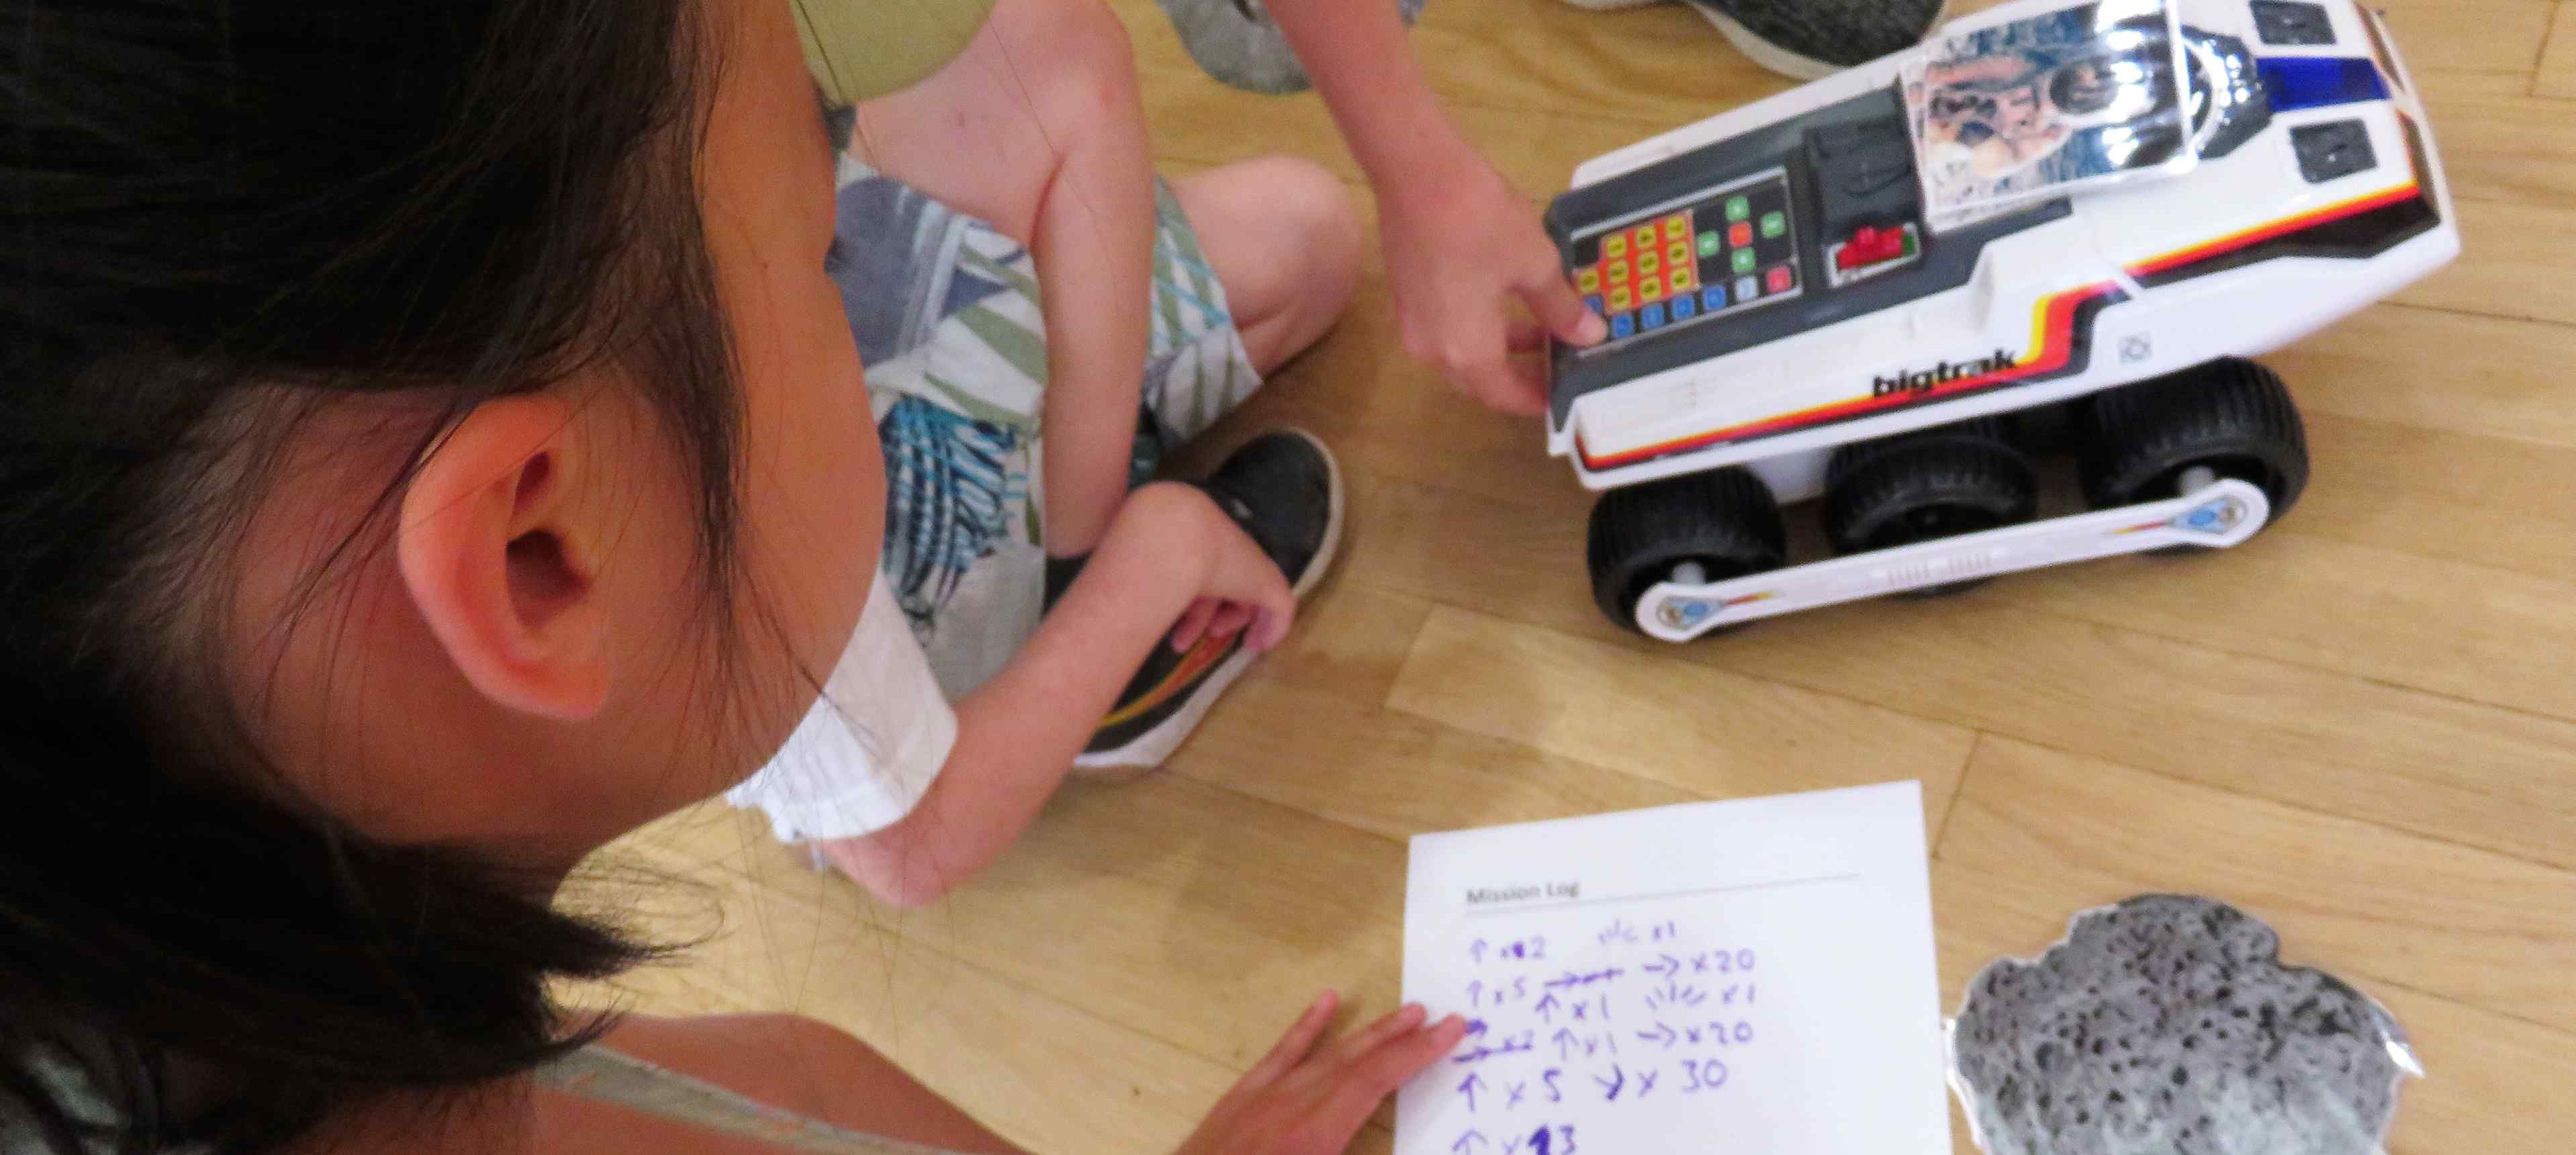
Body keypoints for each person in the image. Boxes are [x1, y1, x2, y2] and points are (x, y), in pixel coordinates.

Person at [3, 1, 1465, 1151]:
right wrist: (1138, 562)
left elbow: (786, 1075)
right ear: (539, 559)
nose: (853, 241)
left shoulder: (310, 1032)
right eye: (819, 249)